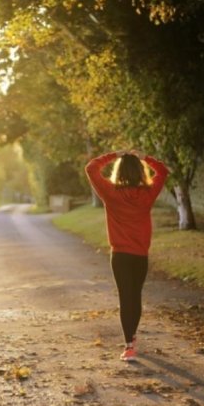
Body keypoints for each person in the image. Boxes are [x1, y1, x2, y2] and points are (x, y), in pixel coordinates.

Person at [85, 149, 168, 361]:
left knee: (126, 297)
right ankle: (132, 338)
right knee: (135, 296)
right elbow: (163, 171)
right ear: (140, 172)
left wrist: (114, 154)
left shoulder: (110, 193)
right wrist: (145, 157)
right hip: (140, 255)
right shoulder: (147, 194)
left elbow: (91, 168)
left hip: (120, 256)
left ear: (118, 171)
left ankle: (129, 345)